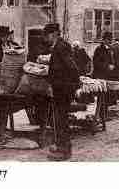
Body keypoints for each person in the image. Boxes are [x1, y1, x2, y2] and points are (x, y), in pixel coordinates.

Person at [44, 23, 80, 161]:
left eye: (47, 36)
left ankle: (64, 150)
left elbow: (71, 67)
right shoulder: (59, 46)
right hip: (61, 87)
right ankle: (61, 146)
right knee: (60, 119)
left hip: (63, 88)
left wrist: (72, 85)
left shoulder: (61, 47)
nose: (46, 39)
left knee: (61, 119)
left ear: (53, 34)